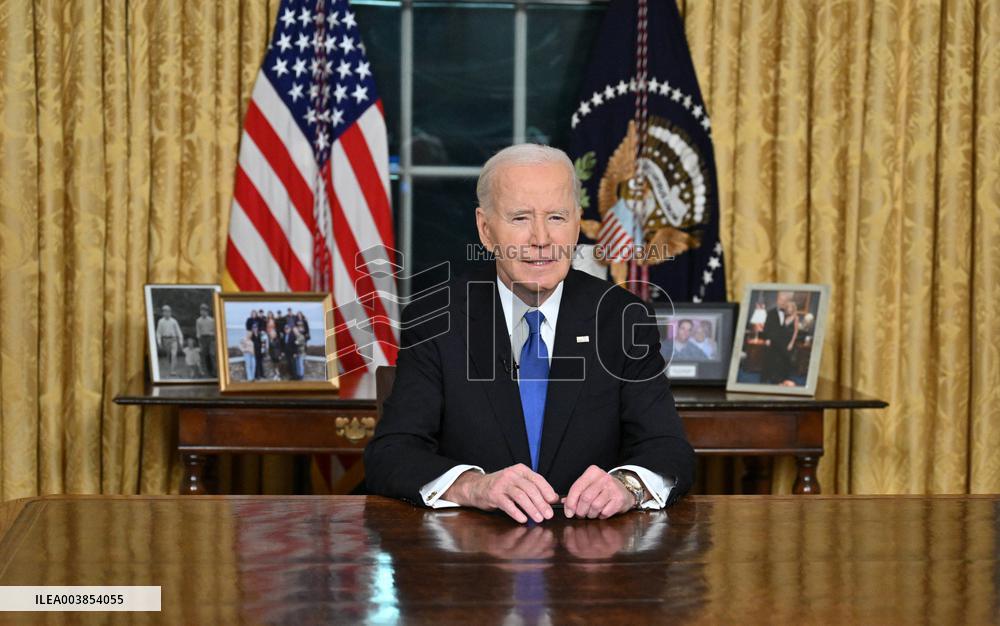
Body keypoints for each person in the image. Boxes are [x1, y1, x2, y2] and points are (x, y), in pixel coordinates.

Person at [365, 144, 694, 524]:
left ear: (576, 225)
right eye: (520, 218)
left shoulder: (623, 318)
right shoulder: (435, 318)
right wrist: (474, 486)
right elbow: (391, 453)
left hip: (594, 560)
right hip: (469, 560)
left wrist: (628, 485)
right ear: (486, 231)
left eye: (556, 217)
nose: (541, 238)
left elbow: (669, 450)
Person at [760, 291, 799, 384]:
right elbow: (766, 328)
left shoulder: (788, 313)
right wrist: (767, 339)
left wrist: (791, 343)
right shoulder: (771, 313)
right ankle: (765, 379)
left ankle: (781, 379)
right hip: (773, 341)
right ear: (777, 300)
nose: (782, 302)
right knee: (769, 361)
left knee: (782, 362)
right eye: (781, 300)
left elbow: (793, 331)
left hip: (784, 342)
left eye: (785, 300)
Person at [155, 305, 184, 376]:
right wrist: (159, 342)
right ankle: (171, 367)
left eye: (168, 311)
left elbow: (178, 331)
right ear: (163, 313)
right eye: (165, 312)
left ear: (170, 312)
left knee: (174, 355)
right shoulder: (161, 321)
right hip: (165, 340)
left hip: (173, 339)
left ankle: (172, 371)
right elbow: (158, 332)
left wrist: (181, 341)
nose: (166, 313)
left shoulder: (174, 321)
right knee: (169, 356)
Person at [195, 303, 216, 376]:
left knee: (212, 354)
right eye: (201, 311)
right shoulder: (198, 320)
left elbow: (215, 330)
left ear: (207, 312)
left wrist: (214, 338)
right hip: (203, 338)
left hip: (211, 338)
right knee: (206, 355)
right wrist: (199, 340)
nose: (203, 312)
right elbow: (198, 331)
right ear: (200, 311)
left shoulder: (211, 320)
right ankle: (209, 371)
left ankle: (215, 371)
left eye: (204, 311)